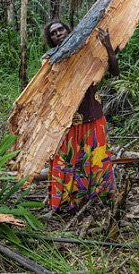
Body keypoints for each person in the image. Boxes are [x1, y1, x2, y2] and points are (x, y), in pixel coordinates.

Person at [43, 20, 118, 212]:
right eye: (53, 33)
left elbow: (115, 71)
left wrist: (108, 46)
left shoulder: (87, 52)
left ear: (69, 31)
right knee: (67, 160)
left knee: (95, 159)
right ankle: (65, 201)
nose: (58, 33)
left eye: (61, 29)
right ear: (50, 39)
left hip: (92, 116)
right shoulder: (50, 59)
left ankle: (97, 199)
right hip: (65, 120)